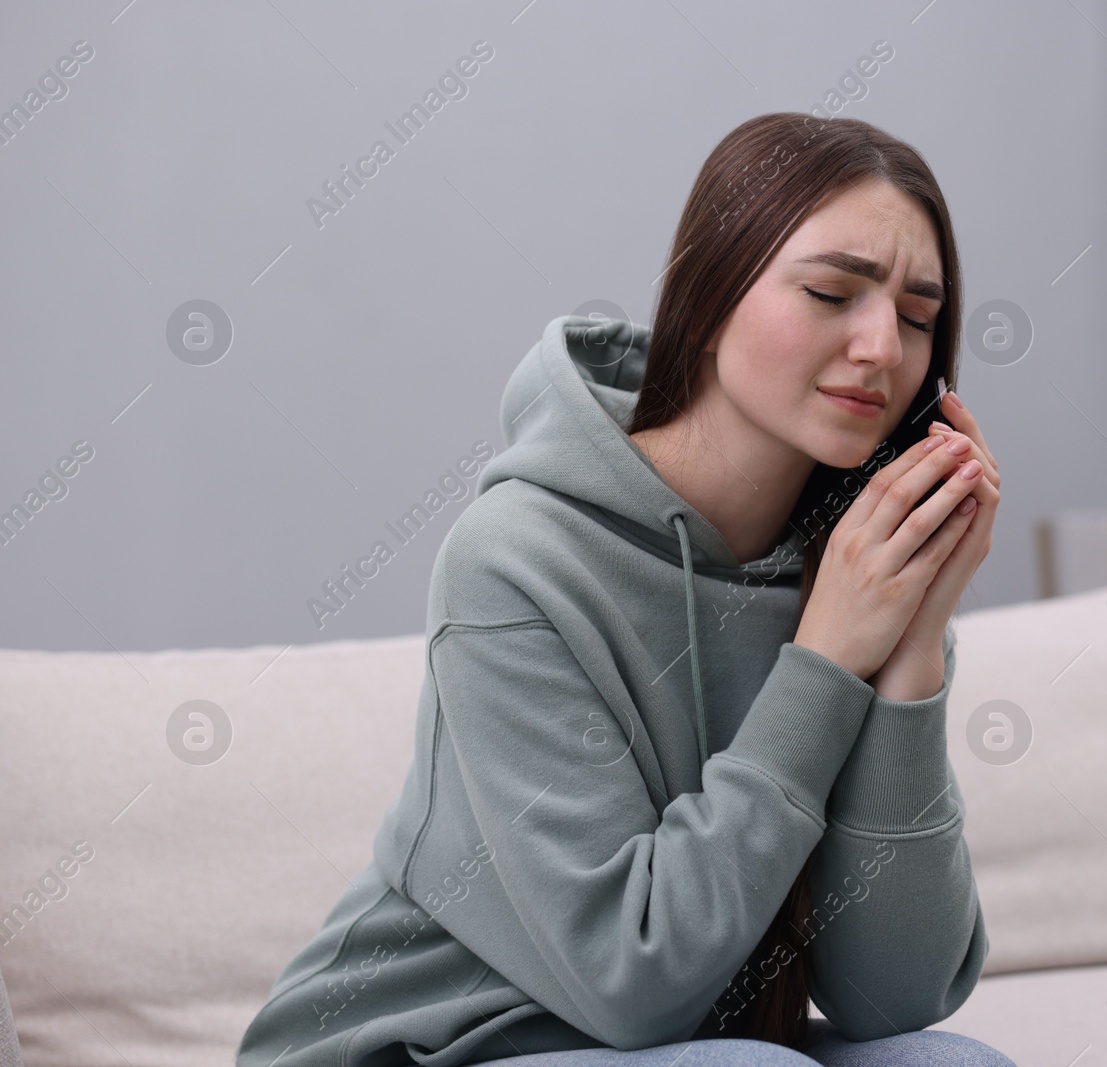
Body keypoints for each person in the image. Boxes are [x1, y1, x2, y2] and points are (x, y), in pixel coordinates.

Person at [235, 112, 1010, 1067]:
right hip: (424, 1046)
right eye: (830, 291)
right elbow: (631, 980)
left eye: (919, 317)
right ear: (711, 292)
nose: (883, 347)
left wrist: (912, 647)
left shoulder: (860, 568)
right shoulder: (517, 560)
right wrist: (824, 658)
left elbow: (895, 998)